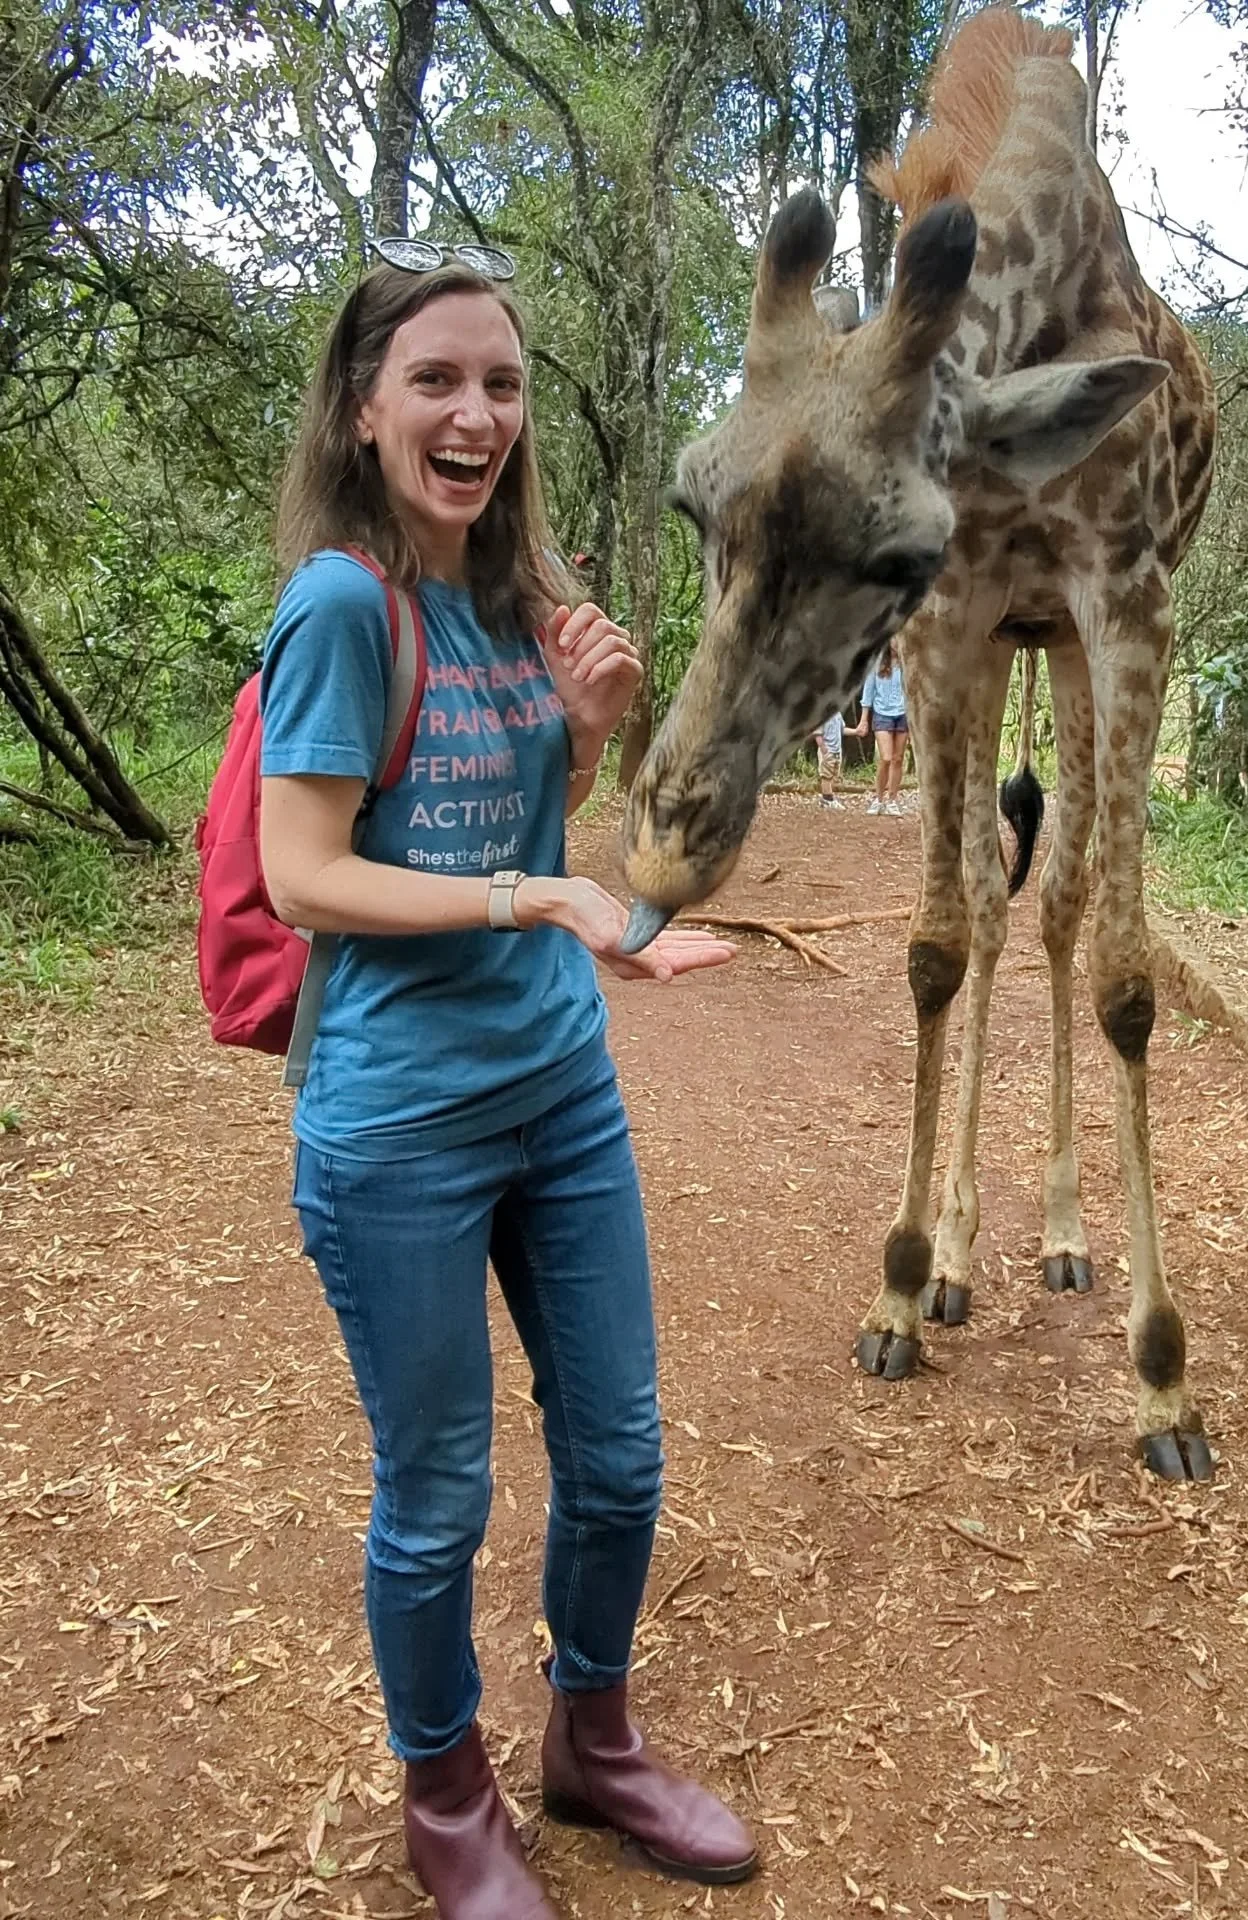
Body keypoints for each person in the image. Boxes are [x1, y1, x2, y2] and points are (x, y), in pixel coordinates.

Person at [256, 250, 757, 1919]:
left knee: (619, 1455)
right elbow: (307, 874)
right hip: (398, 1122)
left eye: (503, 385)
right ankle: (448, 1797)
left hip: (560, 1087)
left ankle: (591, 1740)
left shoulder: (515, 594)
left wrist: (585, 729)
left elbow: (517, 830)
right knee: (438, 1495)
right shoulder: (342, 603)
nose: (476, 413)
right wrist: (533, 899)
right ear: (362, 407)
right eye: (438, 381)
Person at [856, 641, 909, 815]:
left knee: (898, 758)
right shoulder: (877, 662)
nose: (896, 643)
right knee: (886, 757)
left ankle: (892, 800)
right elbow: (868, 692)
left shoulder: (907, 662)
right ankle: (878, 799)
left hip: (902, 713)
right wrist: (864, 720)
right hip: (882, 713)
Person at [812, 709, 856, 809]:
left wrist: (856, 731)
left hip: (837, 750)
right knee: (826, 775)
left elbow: (842, 730)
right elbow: (817, 733)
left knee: (833, 774)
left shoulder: (838, 714)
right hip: (828, 750)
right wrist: (824, 749)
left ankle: (829, 796)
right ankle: (827, 799)